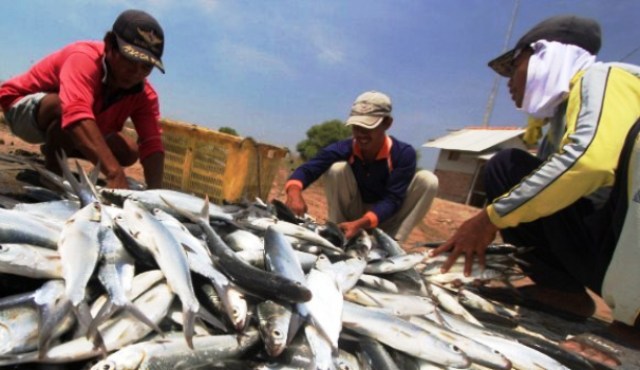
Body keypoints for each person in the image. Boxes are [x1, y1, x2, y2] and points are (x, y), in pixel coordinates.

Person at [430, 14, 640, 366]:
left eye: (514, 67)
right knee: (509, 169)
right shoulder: (557, 122)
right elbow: (557, 186)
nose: (510, 82)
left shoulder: (604, 78)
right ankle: (563, 292)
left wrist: (488, 219)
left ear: (545, 54)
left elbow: (589, 162)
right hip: (618, 246)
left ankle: (634, 328)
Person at [0, 9, 166, 189]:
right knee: (65, 107)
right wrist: (114, 173)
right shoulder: (83, 58)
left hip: (73, 123)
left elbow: (152, 143)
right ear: (109, 44)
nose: (136, 73)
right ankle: (52, 171)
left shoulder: (145, 94)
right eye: (130, 60)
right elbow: (75, 112)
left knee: (129, 151)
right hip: (22, 110)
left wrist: (155, 195)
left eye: (146, 67)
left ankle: (55, 148)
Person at [285, 91, 439, 242]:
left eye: (369, 127)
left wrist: (362, 224)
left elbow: (393, 199)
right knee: (337, 169)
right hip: (354, 214)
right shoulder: (345, 148)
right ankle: (339, 232)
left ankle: (392, 242)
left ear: (387, 123)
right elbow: (310, 168)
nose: (361, 134)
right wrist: (294, 192)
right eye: (356, 127)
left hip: (386, 217)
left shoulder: (402, 154)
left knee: (428, 180)